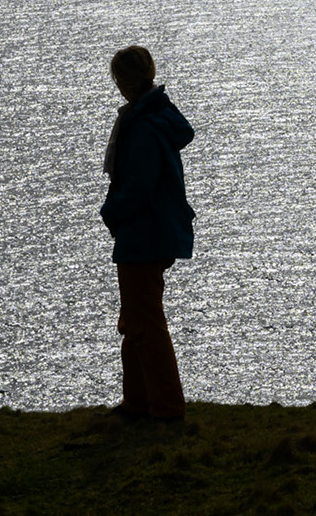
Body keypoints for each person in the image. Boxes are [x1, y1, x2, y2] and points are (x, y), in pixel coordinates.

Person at [99, 44, 196, 421]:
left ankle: (166, 408)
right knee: (136, 319)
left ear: (123, 82)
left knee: (146, 323)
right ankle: (137, 403)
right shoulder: (159, 116)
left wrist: (110, 212)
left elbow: (138, 186)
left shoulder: (142, 127)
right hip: (155, 230)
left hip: (143, 232)